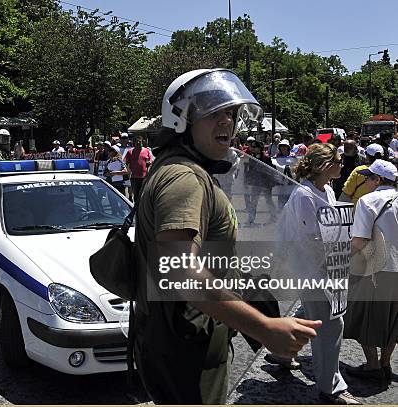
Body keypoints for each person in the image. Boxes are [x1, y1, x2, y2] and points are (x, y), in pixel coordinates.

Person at [133, 68, 321, 404]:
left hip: (182, 337)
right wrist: (264, 328)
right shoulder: (184, 179)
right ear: (182, 120)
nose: (227, 122)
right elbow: (179, 272)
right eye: (213, 112)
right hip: (185, 344)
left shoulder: (181, 168)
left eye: (231, 114)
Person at [281, 143, 360, 404]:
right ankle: (331, 387)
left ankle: (282, 351)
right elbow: (311, 237)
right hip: (313, 270)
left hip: (328, 268)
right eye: (338, 160)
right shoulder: (305, 194)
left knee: (317, 322)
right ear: (323, 166)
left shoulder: (326, 188)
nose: (342, 163)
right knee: (330, 326)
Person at [344, 160, 398, 382]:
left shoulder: (368, 201)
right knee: (393, 319)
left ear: (379, 180)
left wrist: (342, 258)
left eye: (368, 177)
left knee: (362, 315)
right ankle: (385, 363)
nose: (365, 180)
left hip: (375, 268)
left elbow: (360, 240)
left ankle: (373, 365)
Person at [124, 135, 153, 202]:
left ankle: (143, 209)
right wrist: (128, 171)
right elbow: (126, 163)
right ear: (134, 143)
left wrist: (149, 161)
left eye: (140, 142)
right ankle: (137, 210)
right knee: (136, 195)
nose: (138, 143)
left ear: (142, 142)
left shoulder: (147, 151)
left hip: (144, 177)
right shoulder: (130, 152)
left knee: (144, 194)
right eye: (137, 142)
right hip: (134, 177)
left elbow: (151, 159)